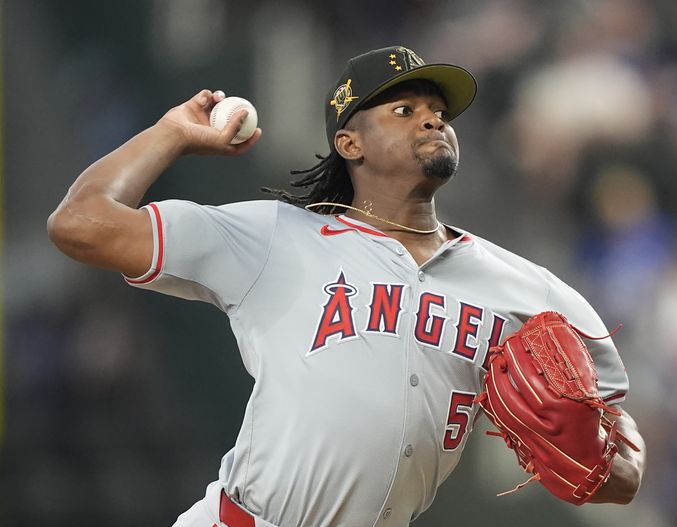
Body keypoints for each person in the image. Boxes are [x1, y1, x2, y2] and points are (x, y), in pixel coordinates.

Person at [48, 46, 646, 527]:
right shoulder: (273, 238)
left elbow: (623, 452)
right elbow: (79, 223)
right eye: (403, 110)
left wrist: (599, 461)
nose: (433, 118)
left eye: (436, 109)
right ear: (349, 144)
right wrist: (171, 134)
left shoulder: (525, 288)